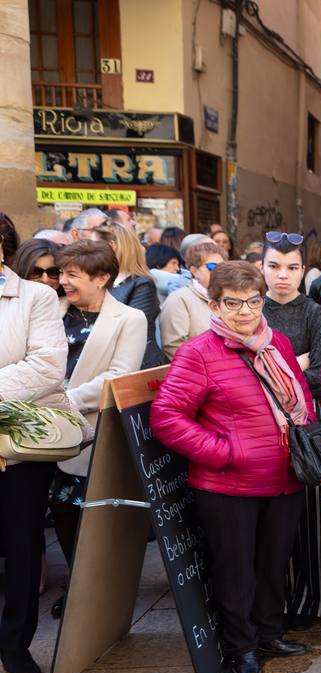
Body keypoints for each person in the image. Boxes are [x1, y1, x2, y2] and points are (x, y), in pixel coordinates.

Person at [151, 261, 312, 673]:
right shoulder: (198, 353)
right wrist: (223, 452)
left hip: (283, 477)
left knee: (273, 563)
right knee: (235, 570)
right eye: (233, 302)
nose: (244, 311)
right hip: (228, 483)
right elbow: (166, 417)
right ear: (214, 303)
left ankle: (269, 633)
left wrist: (302, 433)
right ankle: (241, 648)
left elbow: (300, 394)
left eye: (253, 301)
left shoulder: (275, 342)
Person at [0, 219, 78, 673]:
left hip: (19, 442)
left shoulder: (35, 296)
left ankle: (15, 645)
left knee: (23, 545)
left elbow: (47, 366)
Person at [49, 240, 149, 597]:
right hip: (36, 431)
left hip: (87, 433)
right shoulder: (52, 309)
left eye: (72, 275)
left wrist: (62, 401)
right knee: (56, 516)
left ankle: (90, 597)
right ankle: (75, 589)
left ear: (102, 277)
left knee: (80, 515)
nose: (64, 281)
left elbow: (117, 376)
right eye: (62, 273)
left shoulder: (129, 319)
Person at [260, 233, 321, 404]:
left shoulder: (317, 314)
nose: (283, 275)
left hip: (305, 416)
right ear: (261, 267)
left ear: (302, 271)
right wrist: (295, 364)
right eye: (274, 266)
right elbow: (242, 377)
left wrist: (268, 376)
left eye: (292, 268)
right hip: (257, 416)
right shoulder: (251, 312)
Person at [97, 222, 164, 368]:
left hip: (137, 369)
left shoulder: (142, 284)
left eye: (93, 246)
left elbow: (133, 330)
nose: (87, 252)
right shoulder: (101, 280)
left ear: (112, 246)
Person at [160, 241, 228, 359]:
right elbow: (174, 347)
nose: (219, 272)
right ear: (194, 271)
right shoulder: (179, 298)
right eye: (212, 267)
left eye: (223, 267)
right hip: (198, 372)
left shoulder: (228, 299)